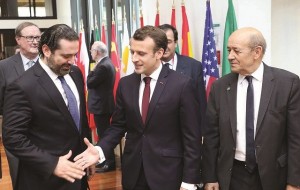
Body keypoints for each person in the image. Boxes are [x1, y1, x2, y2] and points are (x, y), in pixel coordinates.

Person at [74, 25, 202, 190]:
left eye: (141, 53)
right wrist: (99, 150)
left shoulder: (182, 85)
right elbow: (118, 126)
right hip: (133, 174)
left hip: (169, 175)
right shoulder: (126, 84)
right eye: (132, 51)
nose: (134, 58)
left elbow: (192, 137)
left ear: (159, 53)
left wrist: (189, 181)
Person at [202, 27, 300, 190]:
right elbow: (212, 136)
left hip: (274, 175)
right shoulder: (220, 86)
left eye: (236, 51)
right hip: (232, 175)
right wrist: (210, 177)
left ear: (257, 52)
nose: (230, 56)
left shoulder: (287, 84)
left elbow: (296, 138)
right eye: (228, 50)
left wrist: (294, 182)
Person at [2, 24, 92, 190]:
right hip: (44, 179)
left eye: (74, 55)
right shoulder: (22, 86)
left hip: (78, 173)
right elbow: (13, 137)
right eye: (66, 55)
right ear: (47, 50)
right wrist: (52, 164)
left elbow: (79, 120)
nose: (72, 61)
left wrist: (87, 153)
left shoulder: (75, 73)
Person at [0, 21, 41, 189]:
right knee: (20, 179)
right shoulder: (4, 67)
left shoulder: (50, 64)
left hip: (45, 135)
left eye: (38, 37)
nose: (35, 41)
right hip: (17, 134)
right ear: (18, 40)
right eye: (30, 37)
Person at [87, 41, 116, 172]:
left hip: (102, 106)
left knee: (104, 134)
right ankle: (104, 160)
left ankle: (109, 163)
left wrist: (91, 71)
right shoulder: (106, 63)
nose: (90, 53)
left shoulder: (102, 66)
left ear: (97, 52)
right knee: (103, 133)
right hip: (103, 105)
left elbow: (90, 83)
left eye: (92, 50)